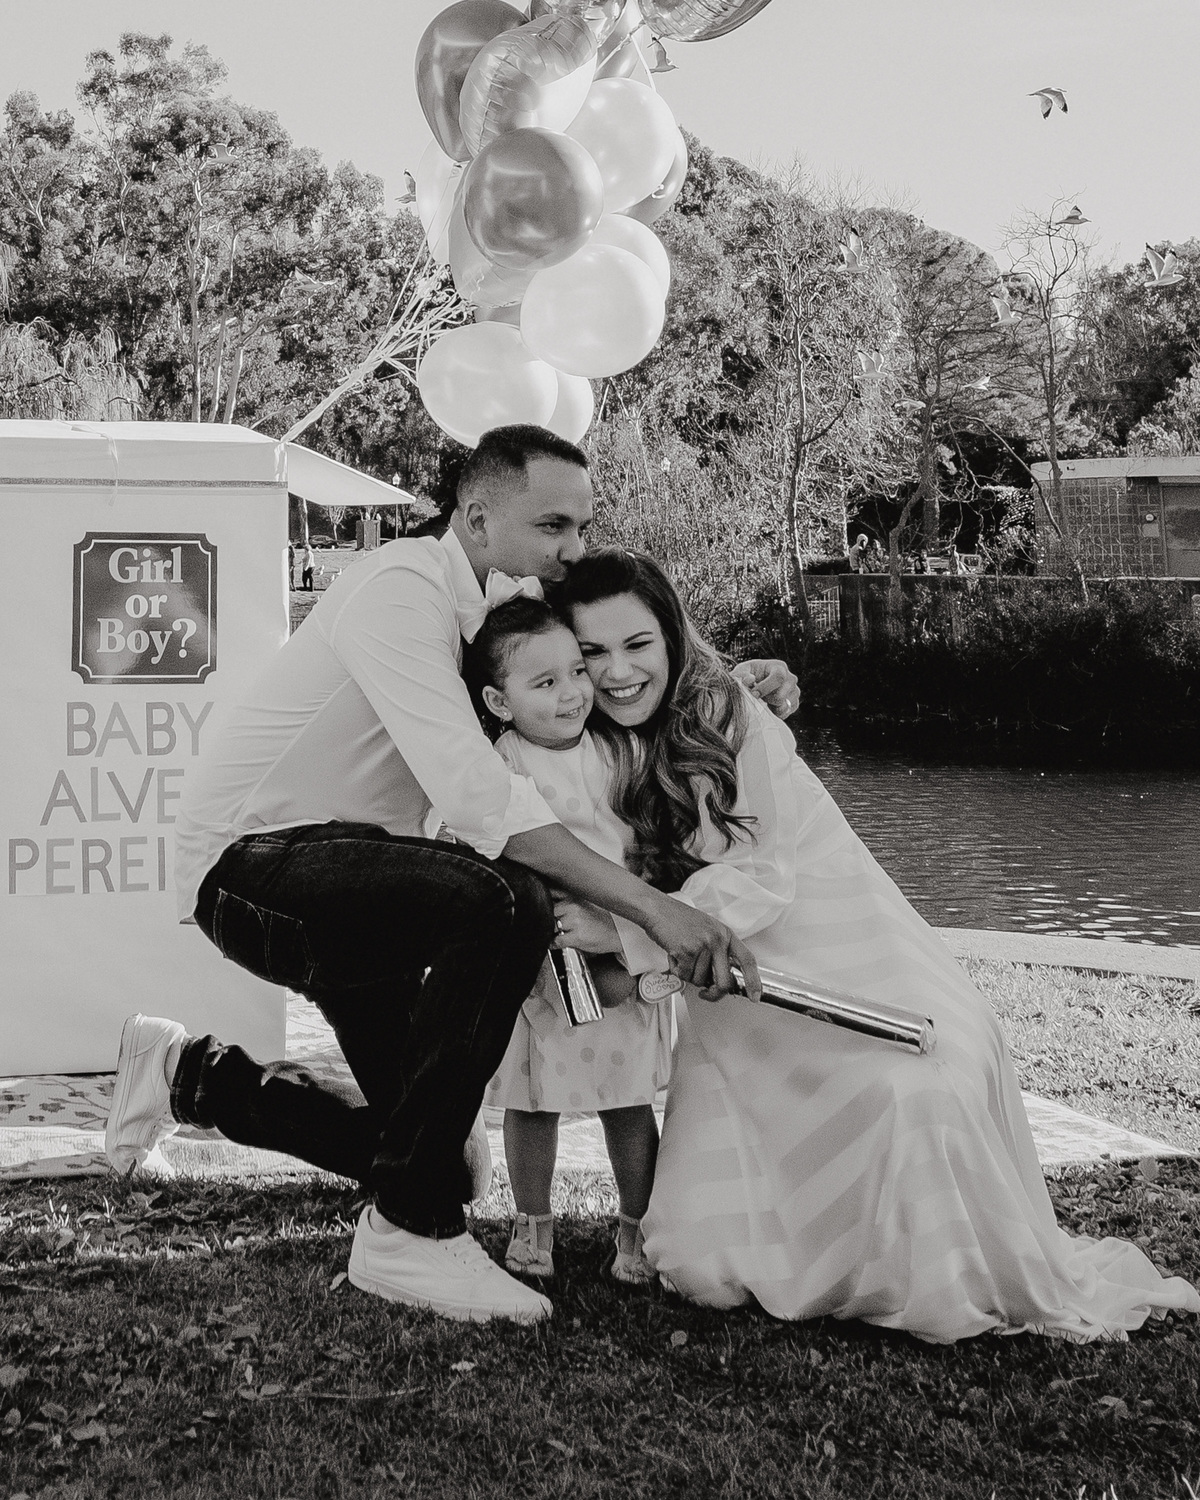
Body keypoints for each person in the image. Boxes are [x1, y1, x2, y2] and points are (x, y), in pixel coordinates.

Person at [104, 425, 798, 1325]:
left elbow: (594, 685)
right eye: (552, 526)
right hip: (252, 866)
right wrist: (655, 912)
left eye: (582, 527)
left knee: (448, 1160)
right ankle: (407, 1234)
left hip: (367, 881)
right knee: (504, 899)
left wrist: (723, 683)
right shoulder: (400, 590)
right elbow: (480, 798)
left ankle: (184, 1075)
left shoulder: (498, 618)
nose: (572, 549)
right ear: (476, 517)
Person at [546, 547, 1200, 1343]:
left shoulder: (734, 717)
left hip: (841, 949)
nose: (617, 671)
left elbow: (764, 881)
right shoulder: (589, 743)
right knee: (698, 1262)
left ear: (673, 638)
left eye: (637, 644)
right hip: (737, 1004)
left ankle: (910, 1251)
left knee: (916, 1095)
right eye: (592, 651)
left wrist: (623, 931)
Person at [464, 598, 672, 1288]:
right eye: (545, 682)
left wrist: (630, 929)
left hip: (619, 938)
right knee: (531, 1099)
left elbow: (652, 847)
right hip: (539, 952)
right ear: (500, 701)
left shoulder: (619, 749)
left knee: (627, 1099)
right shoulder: (498, 762)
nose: (573, 693)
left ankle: (637, 1226)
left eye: (577, 672)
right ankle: (532, 1222)